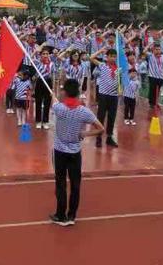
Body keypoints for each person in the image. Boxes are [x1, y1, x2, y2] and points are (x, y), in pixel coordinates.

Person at [50, 79, 104, 226]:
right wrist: (84, 134)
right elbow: (101, 128)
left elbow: (54, 102)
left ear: (65, 92)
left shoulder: (59, 108)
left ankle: (60, 215)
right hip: (75, 152)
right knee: (75, 184)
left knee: (60, 183)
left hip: (60, 151)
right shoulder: (84, 111)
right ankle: (72, 215)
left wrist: (54, 98)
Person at [90, 47, 119, 148]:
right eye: (111, 56)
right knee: (101, 117)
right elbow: (91, 58)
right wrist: (100, 50)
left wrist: (121, 89)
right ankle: (98, 137)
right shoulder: (102, 65)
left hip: (114, 96)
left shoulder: (118, 68)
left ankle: (109, 138)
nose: (113, 58)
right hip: (103, 95)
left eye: (115, 57)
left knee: (112, 117)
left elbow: (121, 81)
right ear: (107, 57)